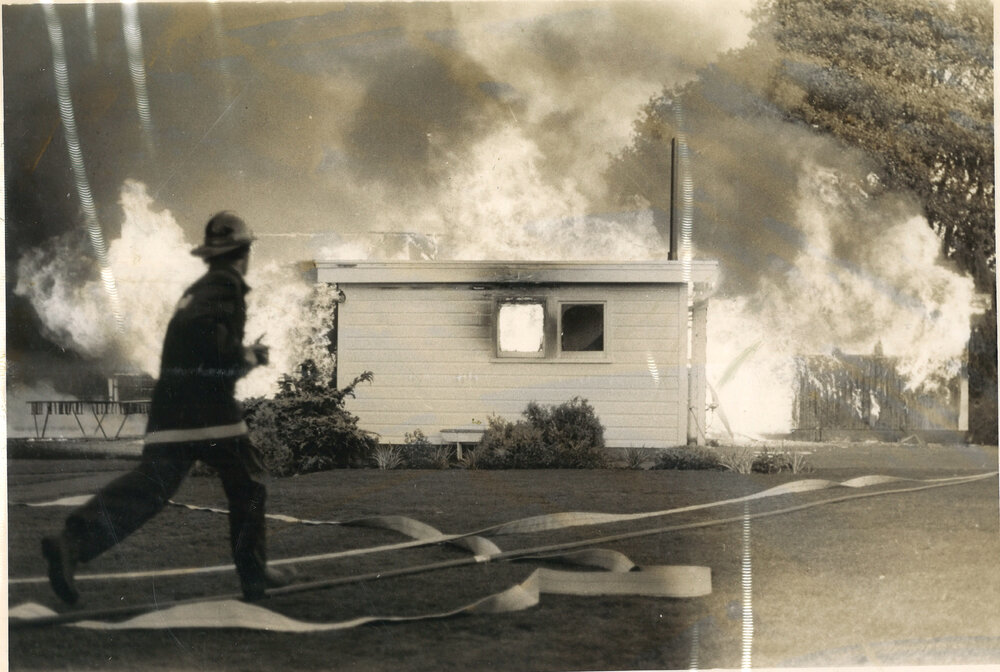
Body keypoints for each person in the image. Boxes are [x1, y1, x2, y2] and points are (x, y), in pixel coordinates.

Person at [42, 211, 288, 604]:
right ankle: (254, 576)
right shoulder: (225, 285)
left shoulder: (200, 288)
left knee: (150, 488)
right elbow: (207, 340)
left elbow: (193, 338)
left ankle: (71, 542)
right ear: (243, 252)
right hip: (208, 409)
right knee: (249, 482)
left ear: (210, 254)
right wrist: (248, 355)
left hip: (171, 409)